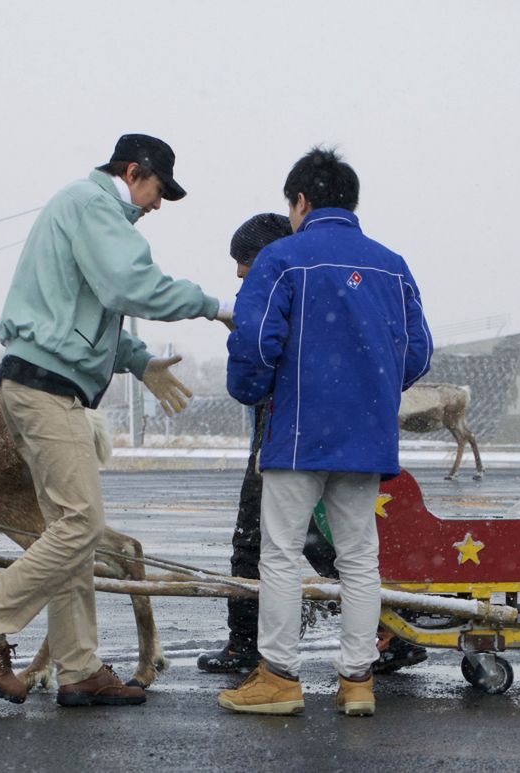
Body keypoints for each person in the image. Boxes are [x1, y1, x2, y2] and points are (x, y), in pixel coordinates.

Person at [0, 133, 233, 706]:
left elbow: (86, 307)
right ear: (133, 171)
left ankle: (77, 669)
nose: (156, 206)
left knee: (68, 533)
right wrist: (216, 306)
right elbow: (128, 286)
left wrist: (138, 361)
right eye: (157, 191)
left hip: (42, 383)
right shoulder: (94, 205)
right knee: (81, 525)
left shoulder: (85, 210)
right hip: (46, 389)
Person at [219, 147, 432, 717]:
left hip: (298, 433)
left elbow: (254, 341)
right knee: (360, 556)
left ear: (301, 201)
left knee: (281, 553)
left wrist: (253, 388)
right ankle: (357, 682)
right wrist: (373, 387)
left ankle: (280, 679)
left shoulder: (284, 258)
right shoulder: (392, 264)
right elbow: (418, 353)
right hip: (367, 436)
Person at [196, 213, 340, 674]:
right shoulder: (319, 285)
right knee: (326, 541)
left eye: (246, 263)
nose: (240, 275)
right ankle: (389, 627)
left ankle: (246, 645)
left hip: (282, 430)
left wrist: (242, 340)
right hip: (319, 429)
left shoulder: (283, 284)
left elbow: (258, 360)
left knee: (254, 539)